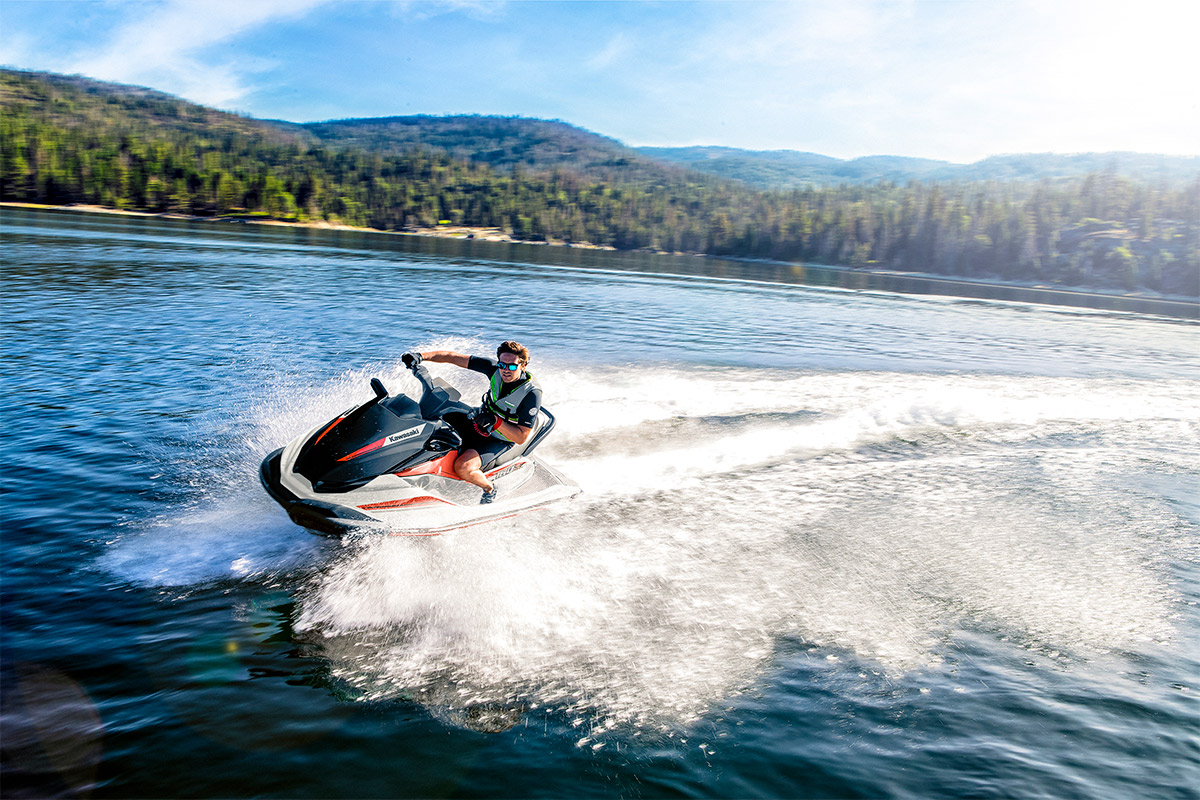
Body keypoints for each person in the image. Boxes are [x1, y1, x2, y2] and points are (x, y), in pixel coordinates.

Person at [401, 341, 541, 504]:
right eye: (502, 364)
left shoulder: (532, 394)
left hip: (499, 438)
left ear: (523, 365)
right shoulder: (494, 368)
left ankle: (489, 489)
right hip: (478, 421)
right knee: (431, 423)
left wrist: (495, 421)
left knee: (463, 467)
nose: (505, 370)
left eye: (511, 366)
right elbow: (452, 357)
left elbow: (520, 437)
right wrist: (420, 357)